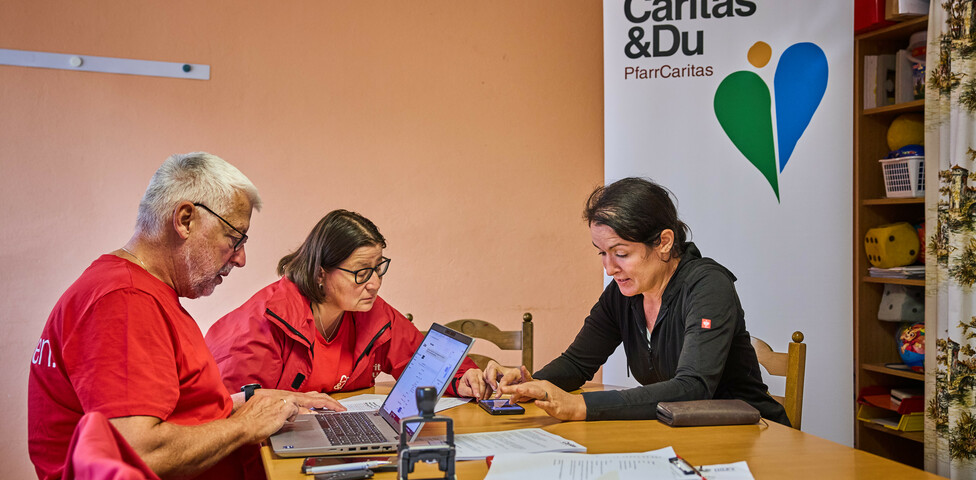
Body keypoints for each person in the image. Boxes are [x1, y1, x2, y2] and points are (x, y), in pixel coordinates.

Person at [28, 152, 344, 480]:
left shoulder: (136, 291)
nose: (241, 259)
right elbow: (140, 452)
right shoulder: (125, 300)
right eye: (234, 238)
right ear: (185, 220)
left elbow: (181, 412)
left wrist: (257, 401)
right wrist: (247, 424)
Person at [485, 177, 790, 425]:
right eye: (602, 253)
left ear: (664, 242)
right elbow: (577, 364)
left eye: (621, 253)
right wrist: (531, 385)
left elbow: (693, 388)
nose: (609, 268)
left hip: (755, 436)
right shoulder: (623, 293)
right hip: (684, 434)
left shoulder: (707, 285)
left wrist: (581, 406)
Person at [205, 209, 488, 399]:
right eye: (361, 272)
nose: (375, 283)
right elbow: (235, 422)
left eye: (379, 268)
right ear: (320, 273)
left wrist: (464, 378)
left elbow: (422, 362)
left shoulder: (370, 313)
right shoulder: (259, 327)